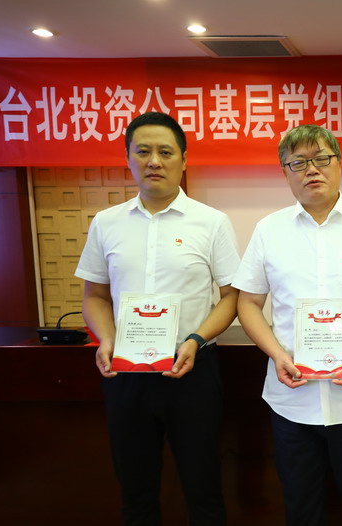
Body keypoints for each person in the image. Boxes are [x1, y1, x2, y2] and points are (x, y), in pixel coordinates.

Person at [233, 124, 342, 526]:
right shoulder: (268, 230)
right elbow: (248, 303)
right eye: (298, 162)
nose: (312, 169)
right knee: (301, 508)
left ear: (339, 164)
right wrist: (276, 354)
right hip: (291, 398)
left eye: (321, 159)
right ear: (285, 172)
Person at [76, 112, 240, 525]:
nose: (154, 161)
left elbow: (231, 298)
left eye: (165, 152)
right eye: (143, 151)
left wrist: (196, 340)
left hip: (192, 370)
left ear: (183, 160)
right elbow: (94, 296)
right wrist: (106, 339)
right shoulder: (106, 223)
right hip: (125, 373)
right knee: (135, 492)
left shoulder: (212, 222)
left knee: (204, 489)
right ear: (128, 158)